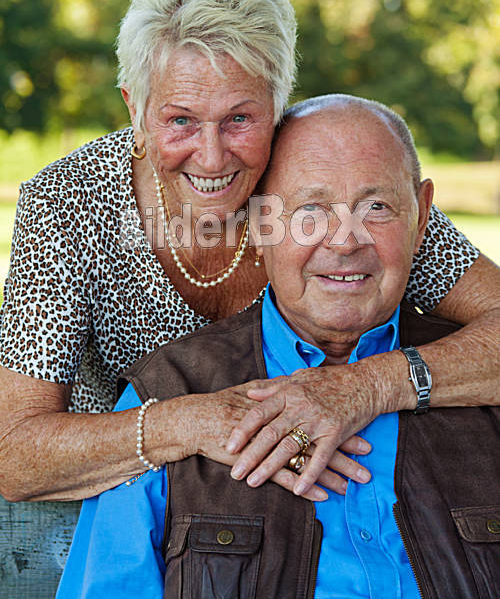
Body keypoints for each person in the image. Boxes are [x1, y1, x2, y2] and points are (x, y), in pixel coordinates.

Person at [0, 0, 499, 595]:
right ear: (135, 108)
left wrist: (360, 388)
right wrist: (193, 421)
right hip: (139, 500)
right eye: (179, 119)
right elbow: (15, 452)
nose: (213, 157)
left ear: (277, 107)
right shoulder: (71, 205)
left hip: (320, 493)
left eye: (240, 118)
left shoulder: (328, 185)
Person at [57, 94, 500, 599]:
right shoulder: (165, 394)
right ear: (259, 226)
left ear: (421, 218)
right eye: (310, 210)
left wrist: (370, 386)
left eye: (376, 207)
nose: (344, 241)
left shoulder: (484, 383)